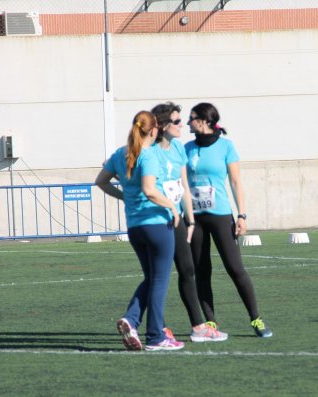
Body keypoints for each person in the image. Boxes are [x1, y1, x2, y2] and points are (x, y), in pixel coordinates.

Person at [95, 110, 184, 351]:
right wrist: (173, 209)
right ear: (154, 130)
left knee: (152, 278)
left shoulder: (119, 154)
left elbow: (100, 182)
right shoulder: (148, 156)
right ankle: (155, 336)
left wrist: (123, 196)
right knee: (159, 281)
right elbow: (150, 190)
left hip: (135, 228)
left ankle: (132, 319)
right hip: (157, 225)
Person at [184, 102, 273, 338]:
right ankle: (210, 322)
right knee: (201, 271)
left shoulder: (226, 146)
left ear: (204, 120)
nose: (187, 123)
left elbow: (235, 182)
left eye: (191, 118)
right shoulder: (186, 149)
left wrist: (242, 215)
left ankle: (256, 319)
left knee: (235, 268)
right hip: (194, 218)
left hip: (221, 215)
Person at [151, 102, 228, 342]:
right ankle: (154, 326)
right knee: (157, 276)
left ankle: (199, 327)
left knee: (188, 270)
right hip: (155, 220)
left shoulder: (178, 149)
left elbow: (183, 185)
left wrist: (190, 221)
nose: (182, 124)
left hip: (178, 220)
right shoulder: (150, 151)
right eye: (176, 121)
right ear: (162, 126)